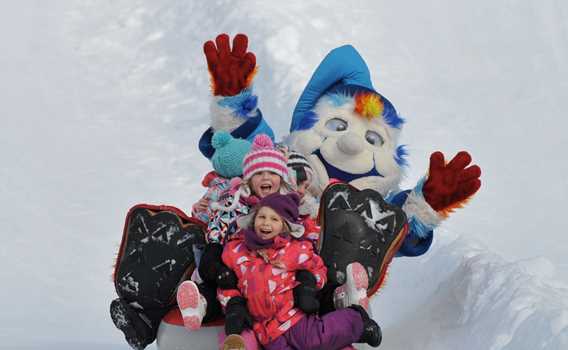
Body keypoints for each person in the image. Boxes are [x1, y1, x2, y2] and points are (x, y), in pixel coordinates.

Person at [218, 192, 382, 350]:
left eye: (274, 219)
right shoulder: (237, 252)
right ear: (253, 220)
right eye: (261, 217)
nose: (266, 223)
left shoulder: (295, 250)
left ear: (285, 226)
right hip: (265, 329)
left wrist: (308, 285)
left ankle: (356, 321)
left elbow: (318, 270)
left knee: (316, 339)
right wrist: (233, 306)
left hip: (292, 316)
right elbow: (226, 285)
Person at [177, 133, 294, 331]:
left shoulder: (288, 204)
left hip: (274, 270)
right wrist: (214, 259)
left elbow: (300, 234)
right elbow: (217, 227)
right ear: (248, 179)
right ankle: (199, 305)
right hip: (235, 265)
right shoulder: (235, 202)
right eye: (258, 174)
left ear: (281, 179)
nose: (265, 177)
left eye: (272, 173)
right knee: (223, 287)